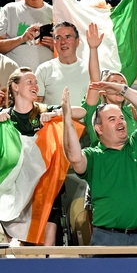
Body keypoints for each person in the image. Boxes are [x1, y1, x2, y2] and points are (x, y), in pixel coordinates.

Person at [62, 78, 137, 246]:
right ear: (99, 129)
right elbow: (74, 157)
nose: (120, 121)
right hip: (108, 239)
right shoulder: (93, 156)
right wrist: (67, 119)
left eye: (121, 117)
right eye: (112, 119)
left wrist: (121, 89)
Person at [0, 70, 85, 245]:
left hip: (44, 190)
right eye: (29, 81)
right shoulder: (5, 117)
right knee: (16, 251)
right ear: (15, 87)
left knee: (47, 251)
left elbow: (81, 112)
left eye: (36, 82)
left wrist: (57, 113)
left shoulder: (44, 111)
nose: (35, 85)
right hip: (13, 193)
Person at [0, 0, 53, 71]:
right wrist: (21, 39)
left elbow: (69, 50)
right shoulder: (10, 10)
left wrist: (54, 46)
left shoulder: (54, 12)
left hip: (47, 78)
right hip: (17, 79)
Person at [33, 21, 89, 106]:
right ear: (54, 42)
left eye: (68, 37)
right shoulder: (43, 70)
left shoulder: (90, 70)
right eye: (58, 38)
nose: (63, 42)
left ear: (77, 42)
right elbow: (36, 105)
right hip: (53, 119)